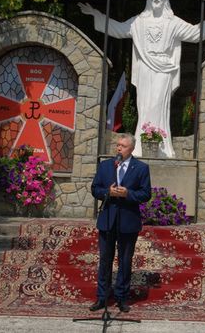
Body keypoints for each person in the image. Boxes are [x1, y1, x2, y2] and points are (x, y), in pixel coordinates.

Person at [79, 0, 205, 158]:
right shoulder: (139, 21)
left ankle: (161, 146)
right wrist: (96, 15)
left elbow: (194, 33)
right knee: (144, 105)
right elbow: (119, 29)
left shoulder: (173, 22)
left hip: (164, 68)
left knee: (158, 104)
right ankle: (140, 145)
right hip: (145, 66)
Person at [89, 133, 151, 313]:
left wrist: (128, 194)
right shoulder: (105, 166)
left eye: (123, 146)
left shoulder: (141, 168)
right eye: (118, 145)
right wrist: (106, 192)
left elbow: (146, 194)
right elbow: (95, 188)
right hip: (108, 219)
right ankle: (102, 297)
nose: (118, 148)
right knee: (105, 260)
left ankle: (122, 298)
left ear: (131, 149)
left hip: (128, 220)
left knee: (125, 261)